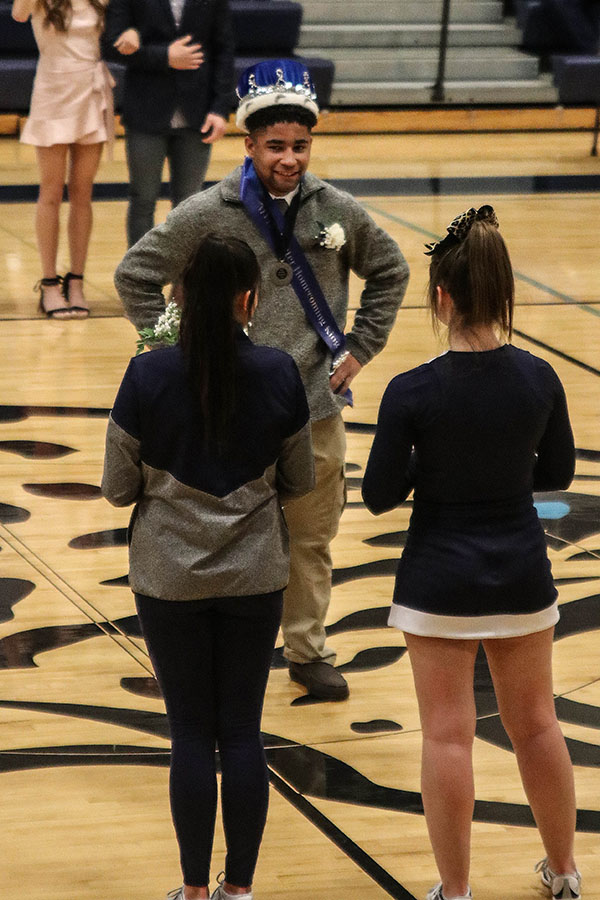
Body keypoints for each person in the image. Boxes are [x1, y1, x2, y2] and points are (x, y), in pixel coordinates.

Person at [113, 58, 410, 701]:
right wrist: (172, 342)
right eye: (275, 145)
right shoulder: (206, 211)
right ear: (247, 144)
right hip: (224, 409)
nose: (290, 158)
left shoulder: (336, 210)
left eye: (300, 146)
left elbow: (391, 271)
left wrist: (360, 347)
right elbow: (135, 273)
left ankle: (306, 648)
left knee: (310, 534)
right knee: (218, 528)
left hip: (312, 404)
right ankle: (213, 640)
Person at [362, 206, 580, 900]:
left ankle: (454, 891)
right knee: (538, 726)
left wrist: (435, 468)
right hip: (521, 573)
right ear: (503, 293)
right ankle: (567, 872)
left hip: (438, 582)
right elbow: (558, 474)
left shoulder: (411, 391)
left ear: (441, 297)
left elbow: (376, 495)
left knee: (448, 737)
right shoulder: (540, 378)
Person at [102, 234, 315, 900]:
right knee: (242, 730)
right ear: (248, 300)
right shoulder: (281, 372)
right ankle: (240, 890)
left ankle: (195, 892)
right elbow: (301, 477)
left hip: (169, 581)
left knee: (190, 732)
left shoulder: (147, 374)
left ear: (183, 298)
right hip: (256, 576)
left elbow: (115, 486)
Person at [12, 0, 127, 318]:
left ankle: (76, 281)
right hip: (52, 91)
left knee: (82, 192)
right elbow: (19, 14)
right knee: (50, 192)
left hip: (91, 91)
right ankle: (49, 283)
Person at [102, 0, 234, 248]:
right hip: (145, 110)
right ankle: (139, 279)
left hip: (198, 112)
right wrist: (164, 56)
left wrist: (219, 108)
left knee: (190, 204)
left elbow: (224, 49)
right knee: (142, 199)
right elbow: (110, 46)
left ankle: (185, 284)